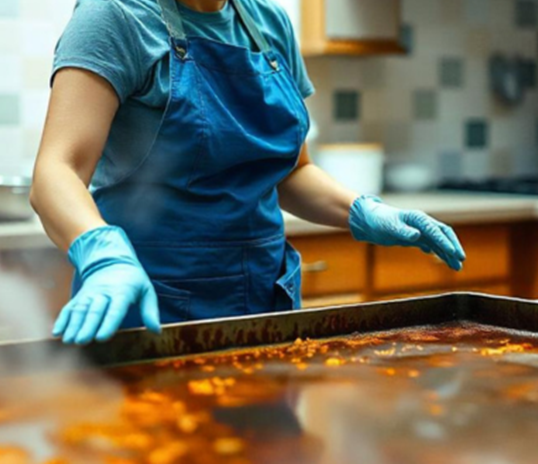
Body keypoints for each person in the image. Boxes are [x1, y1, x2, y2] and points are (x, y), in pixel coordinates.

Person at [30, 0, 466, 345]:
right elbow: (56, 170)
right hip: (151, 305)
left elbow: (291, 171)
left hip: (264, 303)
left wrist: (362, 210)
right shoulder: (115, 17)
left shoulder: (270, 24)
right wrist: (103, 255)